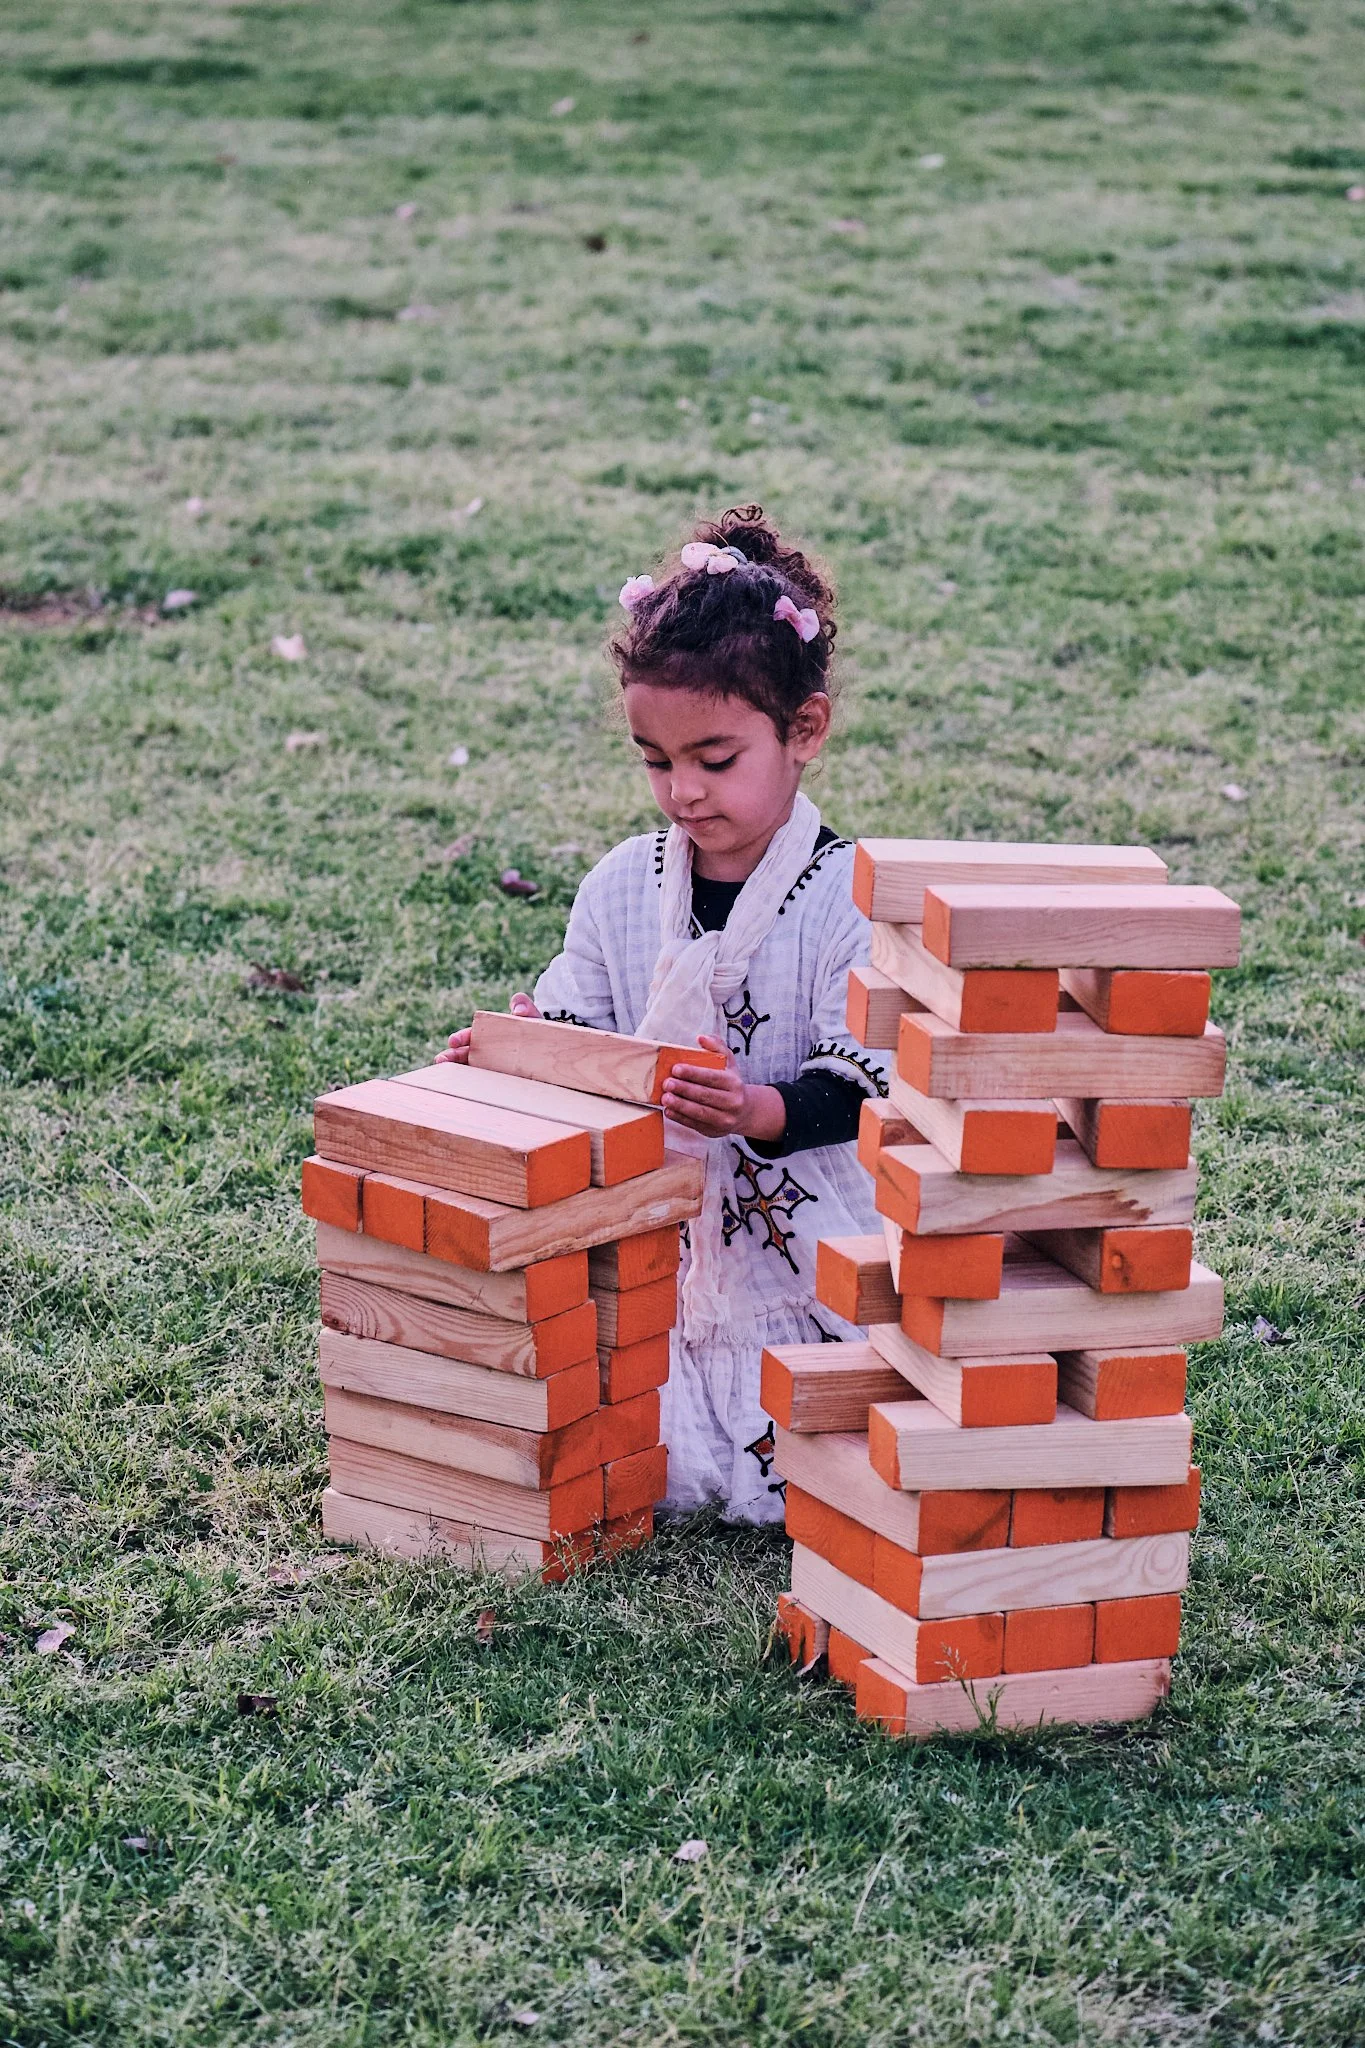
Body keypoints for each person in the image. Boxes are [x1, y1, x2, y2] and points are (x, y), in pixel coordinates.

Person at [439, 506, 888, 1523]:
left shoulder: (851, 894)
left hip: (801, 1229)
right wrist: (514, 1053)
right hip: (652, 1236)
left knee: (833, 1444)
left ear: (804, 730)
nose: (682, 790)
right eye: (655, 758)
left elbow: (864, 1083)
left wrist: (753, 1108)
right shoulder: (618, 887)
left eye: (716, 759)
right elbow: (577, 1023)